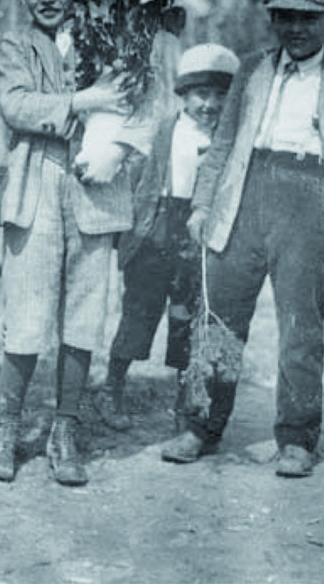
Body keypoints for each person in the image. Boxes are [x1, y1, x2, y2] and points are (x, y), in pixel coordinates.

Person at [160, 0, 324, 477]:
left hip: (309, 197)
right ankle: (199, 426)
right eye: (284, 17)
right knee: (218, 317)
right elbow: (222, 145)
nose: (296, 28)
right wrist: (202, 206)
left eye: (308, 19)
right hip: (244, 195)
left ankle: (297, 436)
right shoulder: (253, 69)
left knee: (300, 325)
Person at [0, 0, 156, 486]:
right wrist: (84, 101)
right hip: (36, 180)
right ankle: (6, 425)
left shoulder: (110, 37)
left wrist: (120, 148)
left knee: (84, 311)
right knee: (27, 314)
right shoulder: (14, 45)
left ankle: (66, 428)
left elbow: (142, 102)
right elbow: (16, 105)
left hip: (95, 185)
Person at [99, 44, 240, 432]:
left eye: (219, 95)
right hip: (157, 228)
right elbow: (134, 175)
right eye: (201, 94)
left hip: (199, 234)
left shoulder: (232, 139)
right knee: (139, 311)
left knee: (189, 317)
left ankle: (186, 398)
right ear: (184, 94)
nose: (209, 104)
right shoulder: (165, 128)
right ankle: (112, 388)